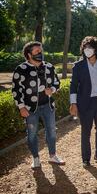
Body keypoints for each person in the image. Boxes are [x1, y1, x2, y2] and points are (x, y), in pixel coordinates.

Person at [12, 41, 65, 169]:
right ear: (29, 54)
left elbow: (57, 83)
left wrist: (51, 90)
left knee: (52, 131)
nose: (40, 53)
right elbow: (16, 90)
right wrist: (21, 107)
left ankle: (53, 156)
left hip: (48, 106)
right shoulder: (21, 70)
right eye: (37, 52)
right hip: (30, 109)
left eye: (41, 51)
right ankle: (35, 158)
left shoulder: (49, 67)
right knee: (32, 134)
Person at [70, 36, 97, 167]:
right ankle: (85, 158)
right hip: (85, 103)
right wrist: (73, 103)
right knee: (85, 131)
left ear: (96, 49)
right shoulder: (78, 66)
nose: (87, 50)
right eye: (85, 47)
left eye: (90, 47)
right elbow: (73, 86)